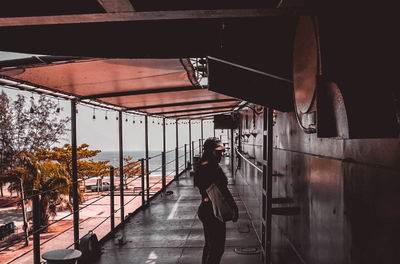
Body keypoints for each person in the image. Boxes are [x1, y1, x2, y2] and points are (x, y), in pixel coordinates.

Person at [194, 137, 239, 264]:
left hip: (206, 208)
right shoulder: (211, 168)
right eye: (218, 151)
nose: (221, 154)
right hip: (213, 211)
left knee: (210, 245)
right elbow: (223, 190)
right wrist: (234, 208)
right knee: (217, 248)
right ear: (210, 151)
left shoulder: (203, 165)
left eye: (222, 151)